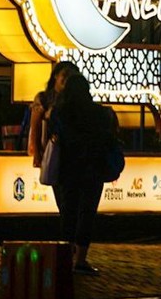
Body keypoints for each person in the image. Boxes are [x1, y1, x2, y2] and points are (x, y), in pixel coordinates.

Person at [46, 70, 119, 275]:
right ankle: (80, 259)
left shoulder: (59, 112)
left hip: (67, 169)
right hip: (93, 168)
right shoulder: (99, 113)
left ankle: (65, 257)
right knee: (87, 213)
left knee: (68, 213)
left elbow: (54, 135)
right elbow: (108, 137)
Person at [28, 61, 79, 167]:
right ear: (56, 75)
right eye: (65, 75)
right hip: (48, 150)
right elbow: (35, 127)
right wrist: (37, 154)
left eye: (71, 77)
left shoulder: (73, 101)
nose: (67, 79)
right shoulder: (44, 98)